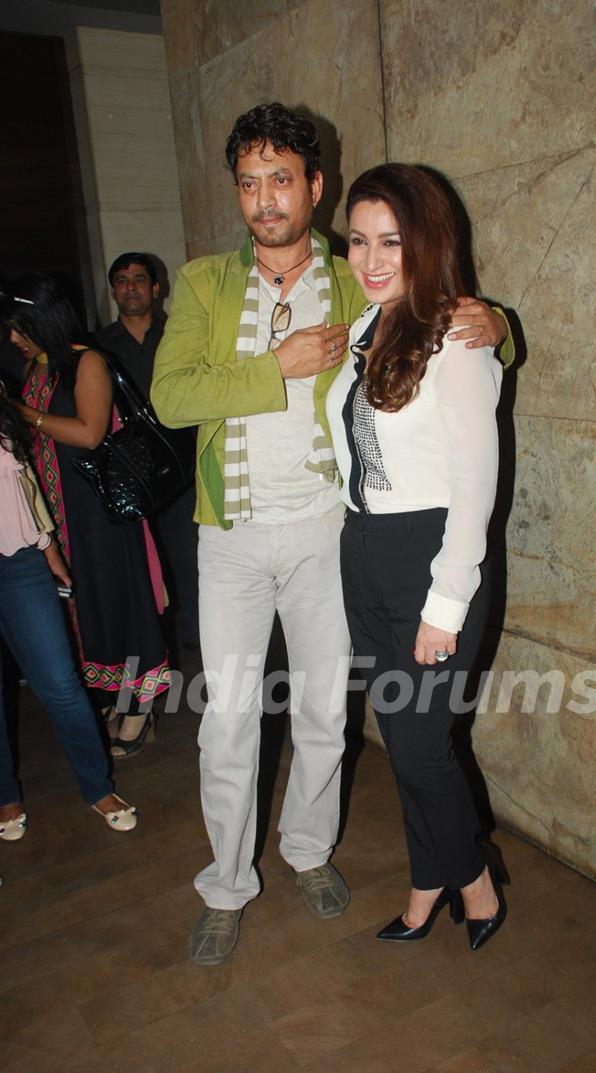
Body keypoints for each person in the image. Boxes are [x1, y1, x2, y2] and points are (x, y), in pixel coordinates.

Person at [151, 102, 514, 967]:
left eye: (282, 179)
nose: (265, 198)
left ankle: (309, 851)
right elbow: (172, 398)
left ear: (315, 187)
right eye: (249, 181)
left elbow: (430, 305)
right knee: (228, 718)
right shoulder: (204, 281)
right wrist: (272, 368)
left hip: (328, 531)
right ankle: (227, 882)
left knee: (325, 711)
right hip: (233, 532)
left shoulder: (354, 277)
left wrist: (500, 325)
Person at [326, 163, 504, 949]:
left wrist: (445, 604)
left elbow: (476, 485)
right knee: (401, 739)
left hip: (430, 557)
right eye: (359, 240)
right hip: (362, 552)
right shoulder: (364, 328)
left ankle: (472, 881)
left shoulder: (458, 337)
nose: (369, 259)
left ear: (425, 243)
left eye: (391, 241)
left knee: (425, 745)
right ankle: (427, 878)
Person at [6, 274, 171, 759]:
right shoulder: (40, 368)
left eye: (20, 328)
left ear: (44, 320)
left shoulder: (88, 361)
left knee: (122, 606)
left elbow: (90, 432)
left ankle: (141, 706)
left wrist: (20, 412)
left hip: (101, 516)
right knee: (89, 612)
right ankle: (118, 697)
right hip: (63, 516)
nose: (13, 339)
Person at [0, 382, 136, 836]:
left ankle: (97, 787)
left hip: (21, 560)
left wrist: (48, 546)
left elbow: (22, 478)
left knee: (60, 683)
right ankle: (5, 797)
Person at [95, 252, 199, 652]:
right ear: (114, 290)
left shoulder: (180, 335)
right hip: (127, 472)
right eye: (122, 280)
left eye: (139, 279)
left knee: (187, 559)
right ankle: (150, 652)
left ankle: (195, 644)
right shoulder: (97, 346)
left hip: (179, 470)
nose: (130, 287)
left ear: (157, 288)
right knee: (137, 566)